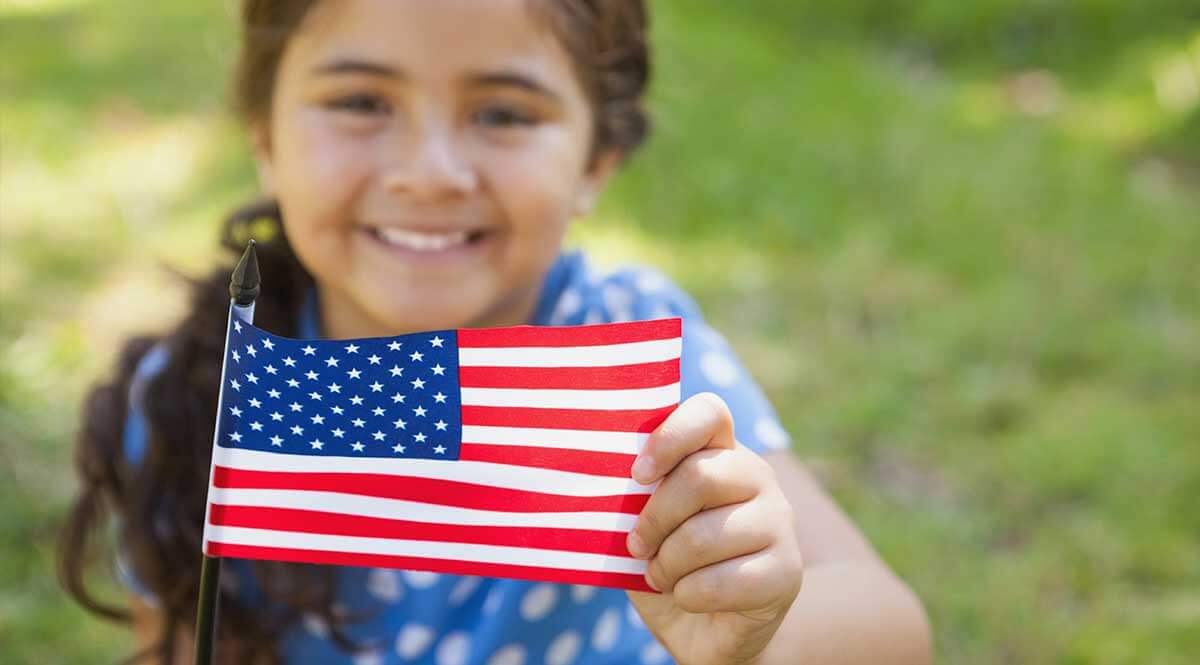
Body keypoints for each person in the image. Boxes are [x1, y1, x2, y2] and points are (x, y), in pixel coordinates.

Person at [59, 1, 931, 663]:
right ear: (265, 139)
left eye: (504, 113)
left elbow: (888, 625)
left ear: (596, 160)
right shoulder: (200, 398)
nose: (430, 173)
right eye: (361, 100)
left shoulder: (637, 354)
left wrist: (756, 627)